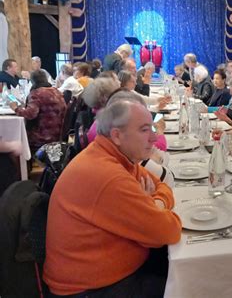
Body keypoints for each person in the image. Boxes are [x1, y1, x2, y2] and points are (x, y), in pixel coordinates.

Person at [43, 99, 182, 297]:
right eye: (144, 130)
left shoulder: (117, 156)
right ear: (117, 135)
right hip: (88, 290)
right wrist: (153, 210)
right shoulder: (108, 175)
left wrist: (155, 203)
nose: (154, 137)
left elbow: (162, 185)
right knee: (194, 287)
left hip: (103, 276)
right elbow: (169, 230)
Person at [10, 70, 66, 152]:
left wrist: (15, 108)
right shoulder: (56, 91)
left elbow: (30, 114)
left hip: (42, 136)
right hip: (57, 133)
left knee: (14, 137)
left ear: (32, 81)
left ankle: (21, 163)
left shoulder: (36, 94)